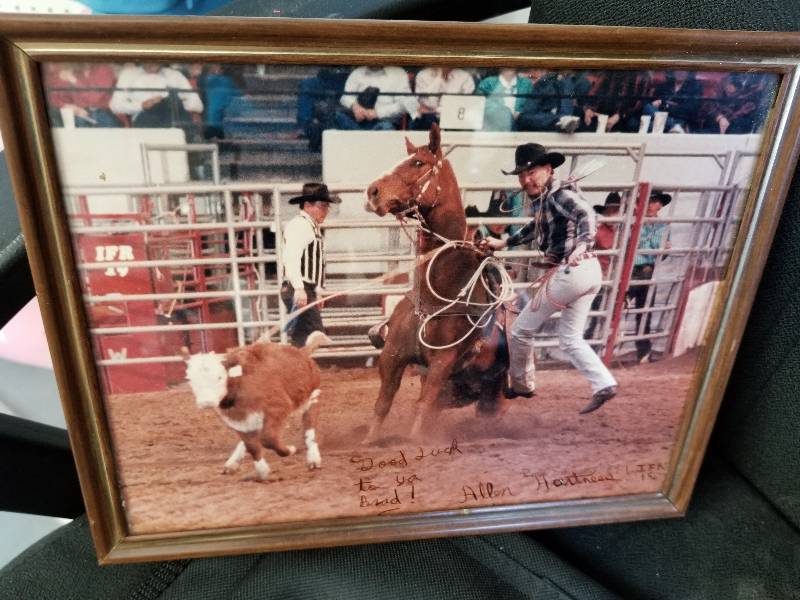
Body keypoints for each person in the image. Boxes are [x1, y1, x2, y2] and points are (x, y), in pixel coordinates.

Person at [481, 143, 618, 414]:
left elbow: (586, 215)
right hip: (588, 273)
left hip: (572, 271)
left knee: (520, 330)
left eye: (531, 172)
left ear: (548, 169)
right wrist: (505, 242)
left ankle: (521, 385)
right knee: (570, 338)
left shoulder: (559, 196)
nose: (526, 179)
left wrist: (582, 245)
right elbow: (536, 227)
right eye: (522, 175)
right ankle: (604, 383)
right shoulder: (548, 199)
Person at [280, 183, 341, 347]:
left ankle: (294, 370)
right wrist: (299, 288)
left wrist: (317, 291)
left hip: (306, 289)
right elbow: (291, 258)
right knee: (315, 333)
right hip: (299, 288)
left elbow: (316, 265)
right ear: (307, 205)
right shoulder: (300, 226)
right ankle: (297, 368)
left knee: (302, 338)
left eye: (327, 207)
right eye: (322, 206)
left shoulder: (310, 226)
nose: (326, 211)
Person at [628, 190, 672, 363]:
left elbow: (660, 250)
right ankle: (644, 353)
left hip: (644, 270)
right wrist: (658, 245)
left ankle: (627, 296)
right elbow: (659, 248)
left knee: (644, 311)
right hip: (634, 269)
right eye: (650, 201)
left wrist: (655, 244)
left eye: (655, 202)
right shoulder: (633, 222)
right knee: (644, 309)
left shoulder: (662, 225)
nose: (653, 205)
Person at [110, 62, 204, 129]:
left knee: (171, 100)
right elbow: (115, 105)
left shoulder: (175, 75)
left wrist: (175, 102)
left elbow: (198, 105)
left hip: (175, 116)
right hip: (145, 118)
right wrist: (142, 105)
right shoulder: (129, 74)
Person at [585, 191, 622, 341]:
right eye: (610, 211)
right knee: (597, 307)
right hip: (600, 273)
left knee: (612, 307)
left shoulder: (623, 230)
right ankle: (593, 337)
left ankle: (604, 337)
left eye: (616, 211)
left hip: (614, 274)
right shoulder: (598, 231)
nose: (613, 215)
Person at [335, 65, 414, 130]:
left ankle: (362, 142)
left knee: (386, 128)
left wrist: (377, 113)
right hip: (357, 121)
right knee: (336, 116)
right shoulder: (357, 72)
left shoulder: (398, 73)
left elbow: (404, 104)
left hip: (383, 121)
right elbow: (345, 97)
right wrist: (355, 106)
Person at [44, 63, 119, 128]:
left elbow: (93, 98)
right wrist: (66, 105)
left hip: (103, 113)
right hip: (81, 113)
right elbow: (54, 96)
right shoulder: (76, 71)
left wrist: (73, 79)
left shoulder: (104, 70)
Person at [410, 66, 476, 130]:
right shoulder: (422, 75)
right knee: (426, 120)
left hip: (455, 119)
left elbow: (465, 106)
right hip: (428, 120)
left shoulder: (465, 77)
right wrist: (439, 78)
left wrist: (436, 110)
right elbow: (429, 103)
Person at [516, 69, 581, 133]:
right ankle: (560, 119)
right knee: (524, 117)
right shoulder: (544, 82)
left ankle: (561, 120)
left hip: (554, 122)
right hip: (541, 121)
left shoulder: (569, 82)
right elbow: (527, 114)